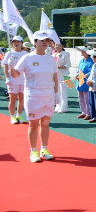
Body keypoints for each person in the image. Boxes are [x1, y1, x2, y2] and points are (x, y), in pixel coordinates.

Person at [9, 31, 59, 162]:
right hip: (33, 96)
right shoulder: (27, 58)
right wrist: (10, 65)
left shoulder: (50, 58)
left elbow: (55, 77)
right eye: (41, 40)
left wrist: (56, 94)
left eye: (47, 40)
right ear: (34, 42)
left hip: (48, 95)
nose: (44, 42)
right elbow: (15, 75)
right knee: (33, 124)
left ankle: (44, 148)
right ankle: (33, 151)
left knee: (46, 124)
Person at [3, 36, 29, 124]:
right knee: (12, 99)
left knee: (21, 99)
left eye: (18, 42)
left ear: (22, 43)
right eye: (14, 42)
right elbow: (5, 67)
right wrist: (7, 78)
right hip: (12, 80)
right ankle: (12, 116)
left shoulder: (26, 54)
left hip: (23, 80)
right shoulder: (9, 54)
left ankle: (19, 115)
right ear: (12, 43)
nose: (16, 43)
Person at [75, 46, 94, 120]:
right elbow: (78, 69)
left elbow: (91, 72)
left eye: (83, 51)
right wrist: (77, 74)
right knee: (80, 98)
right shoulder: (81, 60)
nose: (81, 52)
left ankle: (88, 113)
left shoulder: (91, 61)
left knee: (87, 99)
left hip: (86, 83)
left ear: (87, 52)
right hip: (79, 82)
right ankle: (83, 112)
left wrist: (86, 75)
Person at [53, 40, 71, 113]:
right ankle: (58, 106)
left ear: (62, 46)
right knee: (57, 92)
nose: (57, 46)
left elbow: (68, 64)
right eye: (56, 45)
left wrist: (59, 67)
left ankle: (64, 107)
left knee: (63, 91)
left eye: (59, 45)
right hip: (55, 75)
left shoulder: (66, 53)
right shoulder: (53, 54)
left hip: (64, 75)